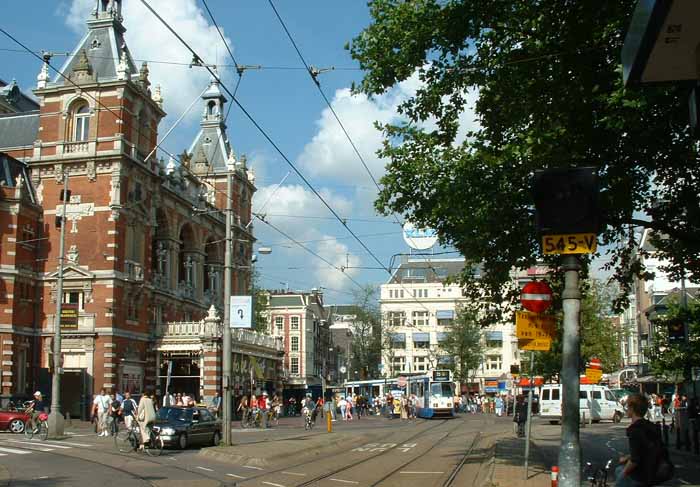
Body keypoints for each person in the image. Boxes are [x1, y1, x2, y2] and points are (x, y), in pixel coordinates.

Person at [616, 393, 669, 486]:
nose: (626, 409)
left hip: (642, 475)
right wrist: (627, 457)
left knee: (620, 472)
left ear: (632, 408)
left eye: (627, 406)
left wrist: (622, 476)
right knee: (618, 469)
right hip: (654, 469)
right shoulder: (651, 426)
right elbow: (647, 449)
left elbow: (635, 461)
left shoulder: (634, 430)